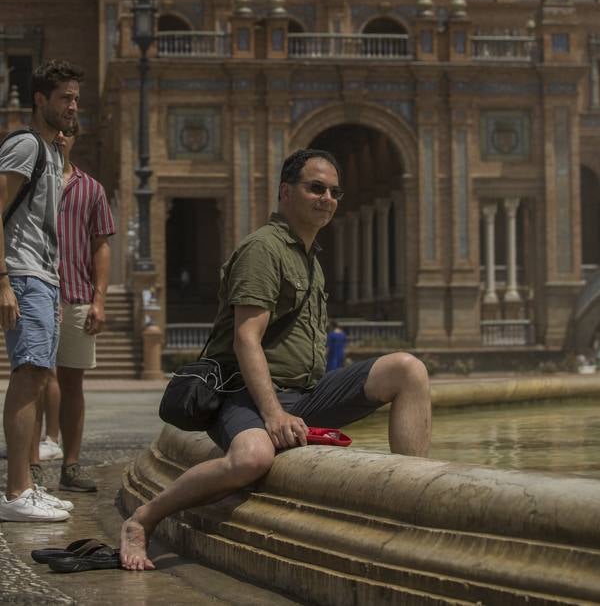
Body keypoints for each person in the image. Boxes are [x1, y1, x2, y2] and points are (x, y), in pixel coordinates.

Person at [120, 148, 431, 570]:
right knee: (252, 458)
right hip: (246, 395)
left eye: (334, 191)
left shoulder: (310, 256)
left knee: (407, 369)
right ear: (286, 192)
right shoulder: (263, 250)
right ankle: (144, 519)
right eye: (315, 188)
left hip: (304, 393)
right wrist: (272, 415)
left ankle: (417, 508)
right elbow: (247, 338)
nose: (327, 198)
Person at [0, 59, 83, 521]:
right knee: (29, 376)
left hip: (44, 278)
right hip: (24, 274)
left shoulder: (51, 151)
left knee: (37, 376)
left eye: (75, 98)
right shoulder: (25, 145)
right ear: (39, 100)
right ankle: (15, 493)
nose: (73, 106)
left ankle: (26, 485)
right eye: (64, 98)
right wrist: (3, 281)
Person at [35, 120, 115, 492]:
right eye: (57, 131)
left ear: (76, 138)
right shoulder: (32, 181)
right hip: (34, 289)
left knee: (73, 383)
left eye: (68, 132)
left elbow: (101, 245)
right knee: (31, 379)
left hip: (78, 294)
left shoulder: (92, 189)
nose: (61, 137)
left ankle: (70, 465)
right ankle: (31, 465)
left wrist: (100, 299)